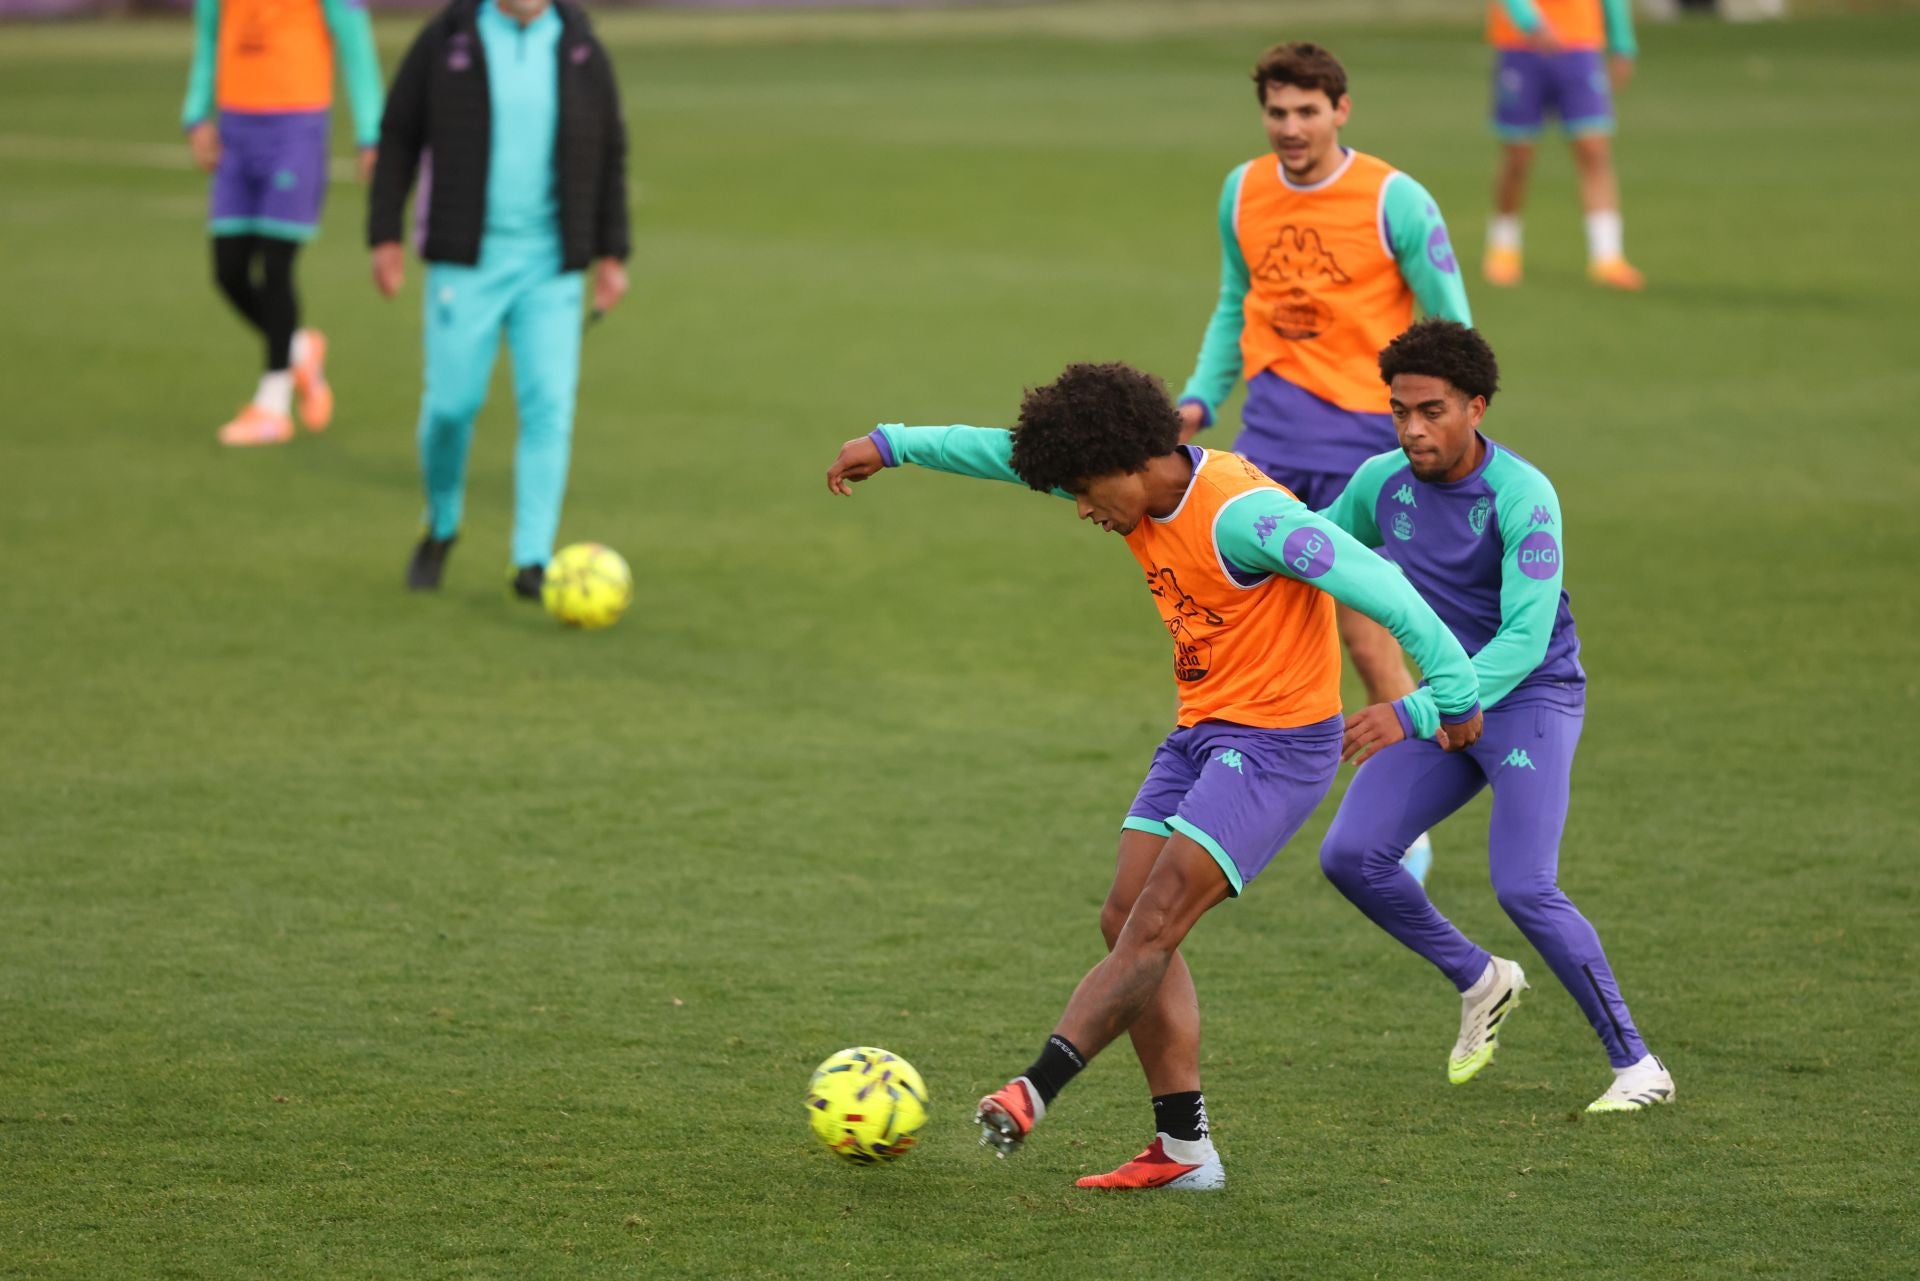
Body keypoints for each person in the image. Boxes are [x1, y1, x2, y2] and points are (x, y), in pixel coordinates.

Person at [824, 362, 1483, 1190]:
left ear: (1135, 459)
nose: (1085, 511)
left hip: (1279, 745)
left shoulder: (1249, 518)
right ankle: (1183, 1150)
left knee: (1157, 920)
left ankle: (1035, 1087)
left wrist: (1452, 694)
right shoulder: (1130, 477)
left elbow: (1380, 582)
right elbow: (1002, 453)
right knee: (1125, 916)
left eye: (1089, 492)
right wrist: (889, 445)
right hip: (1203, 730)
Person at [1316, 319, 1672, 1113]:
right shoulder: (1383, 484)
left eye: (1432, 410)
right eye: (1400, 410)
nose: (1413, 428)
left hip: (1528, 697)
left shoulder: (1522, 495)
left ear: (1476, 408)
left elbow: (1523, 639)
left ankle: (1639, 1065)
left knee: (1524, 886)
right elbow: (1317, 554)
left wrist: (1409, 709)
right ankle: (1481, 978)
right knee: (1351, 854)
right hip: (1448, 700)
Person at [1177, 41, 1473, 883]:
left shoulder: (1395, 201)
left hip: (1361, 446)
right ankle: (1247, 783)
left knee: (1360, 623)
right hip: (1267, 441)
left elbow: (1452, 329)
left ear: (1341, 110)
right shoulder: (1244, 191)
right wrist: (1201, 396)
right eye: (1278, 112)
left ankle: (1403, 803)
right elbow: (1238, 301)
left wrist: (1445, 433)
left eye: (1308, 111)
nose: (1292, 128)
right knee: (1254, 618)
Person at [367, 0, 630, 599]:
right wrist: (384, 234)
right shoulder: (448, 37)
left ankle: (532, 559)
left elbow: (612, 147)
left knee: (547, 408)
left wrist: (612, 253)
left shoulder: (580, 43)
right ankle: (441, 523)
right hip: (466, 260)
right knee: (450, 408)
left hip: (551, 264)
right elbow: (399, 133)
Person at [182, 0, 383, 446]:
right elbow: (209, 38)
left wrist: (371, 133)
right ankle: (299, 350)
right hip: (236, 132)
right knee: (228, 270)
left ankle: (273, 404)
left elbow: (356, 47)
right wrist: (195, 116)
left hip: (296, 130)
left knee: (276, 266)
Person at [1482, 0, 1644, 290]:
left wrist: (1622, 42)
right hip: (1520, 45)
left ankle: (1607, 256)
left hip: (1580, 44)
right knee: (1518, 156)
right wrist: (1530, 23)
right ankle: (1503, 247)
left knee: (1593, 148)